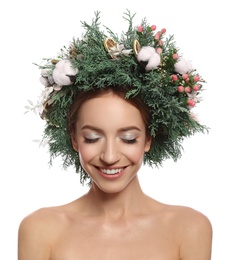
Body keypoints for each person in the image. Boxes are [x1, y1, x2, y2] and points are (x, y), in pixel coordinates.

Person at [19, 10, 212, 259]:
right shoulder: (41, 230)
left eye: (128, 138)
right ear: (74, 138)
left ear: (149, 138)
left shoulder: (190, 229)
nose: (109, 156)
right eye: (92, 138)